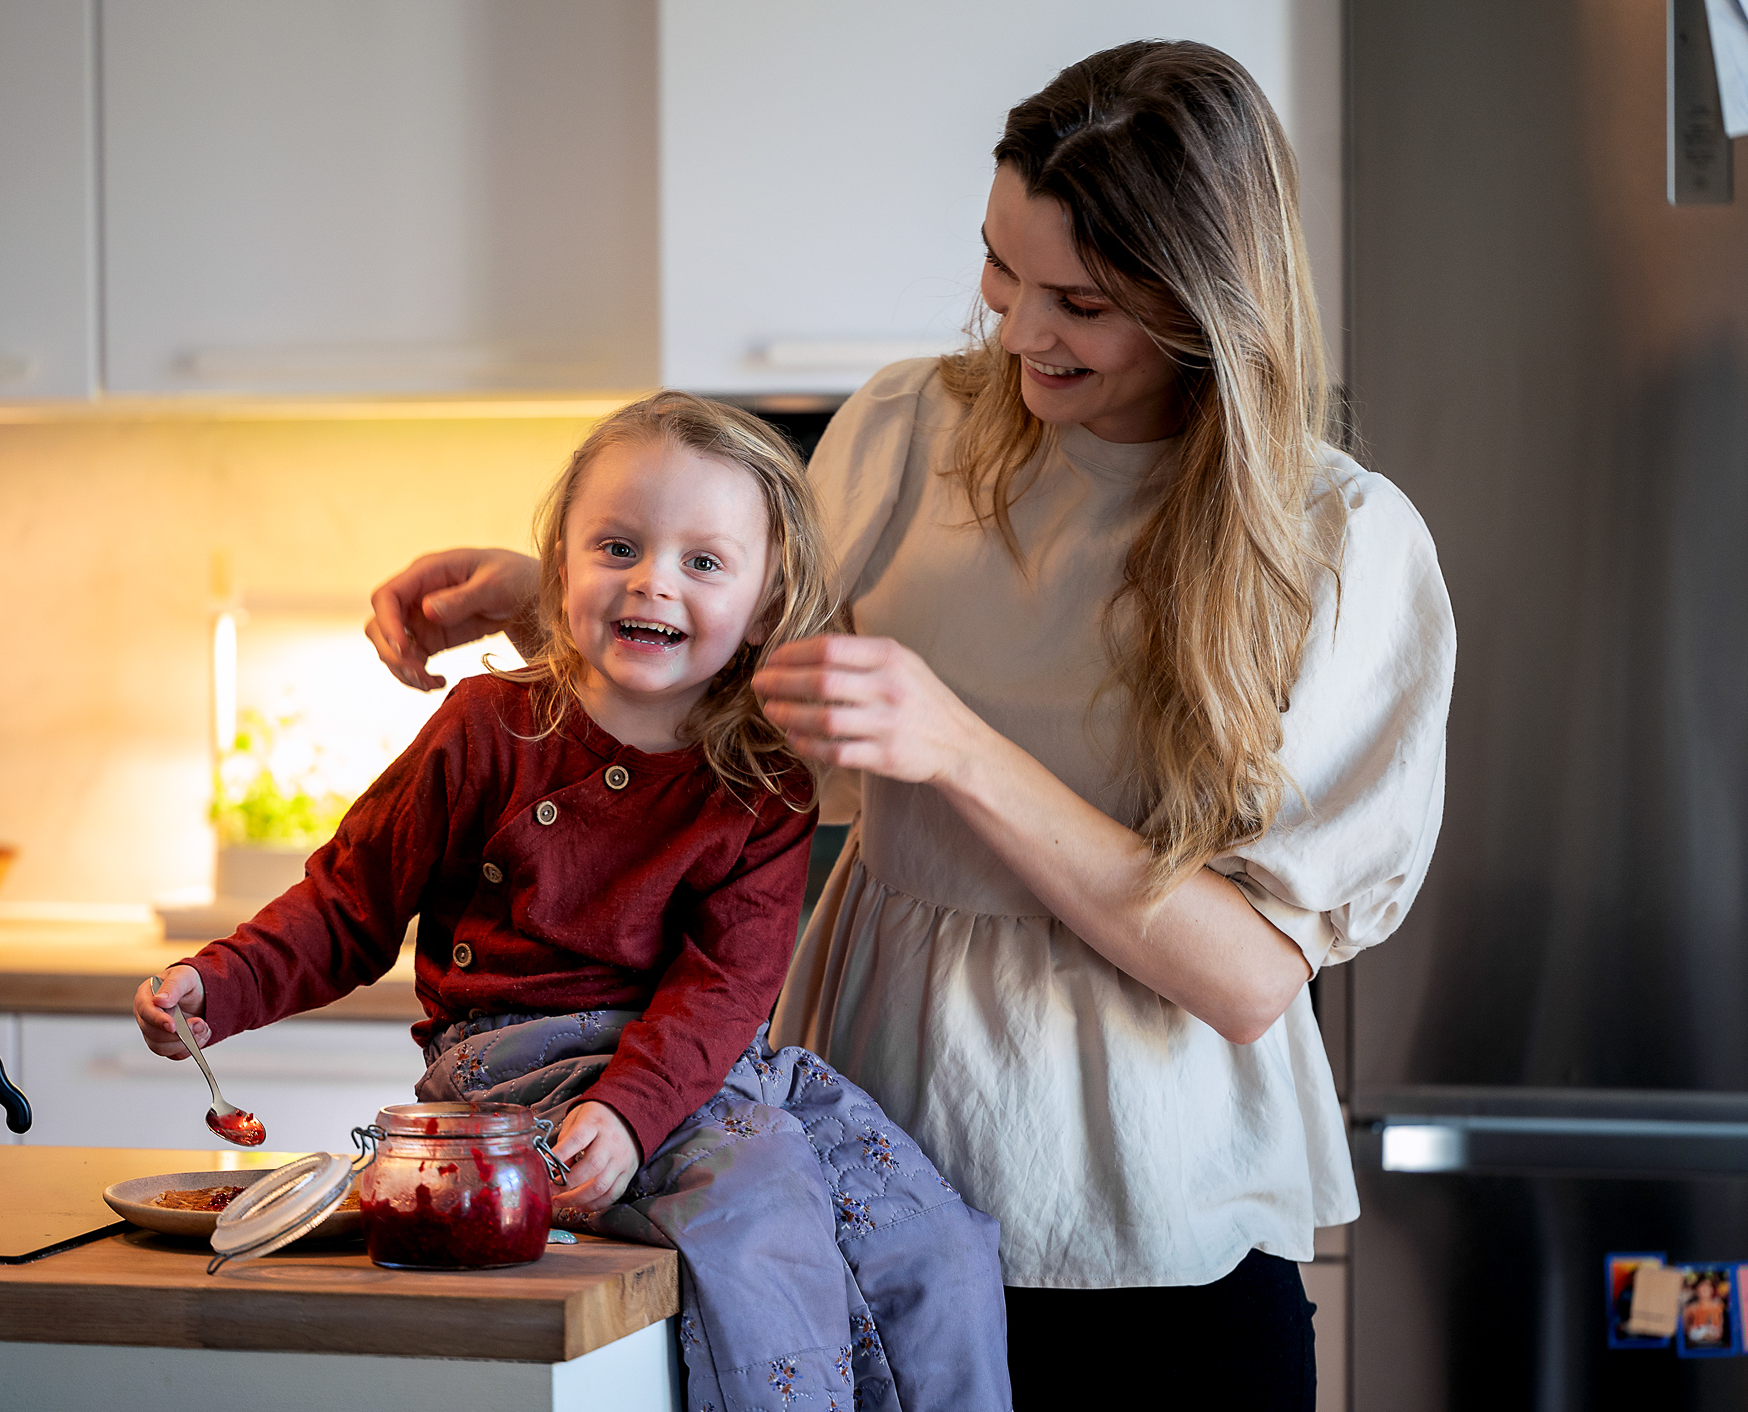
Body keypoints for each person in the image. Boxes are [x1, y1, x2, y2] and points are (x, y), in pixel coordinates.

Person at [367, 42, 1454, 1409]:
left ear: (1202, 307)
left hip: (1156, 1246)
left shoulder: (1336, 545)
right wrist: (552, 601)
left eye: (1078, 302)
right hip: (874, 1194)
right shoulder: (903, 431)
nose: (1013, 330)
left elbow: (1245, 977)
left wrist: (954, 751)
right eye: (1000, 268)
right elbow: (763, 730)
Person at [140, 391, 1011, 1412]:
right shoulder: (482, 729)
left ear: (765, 600)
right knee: (758, 1206)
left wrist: (633, 1108)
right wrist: (218, 981)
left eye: (703, 560)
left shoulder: (766, 779)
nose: (652, 580)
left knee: (931, 1233)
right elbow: (346, 902)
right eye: (617, 545)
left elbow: (725, 987)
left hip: (703, 1062)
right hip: (511, 1063)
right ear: (560, 565)